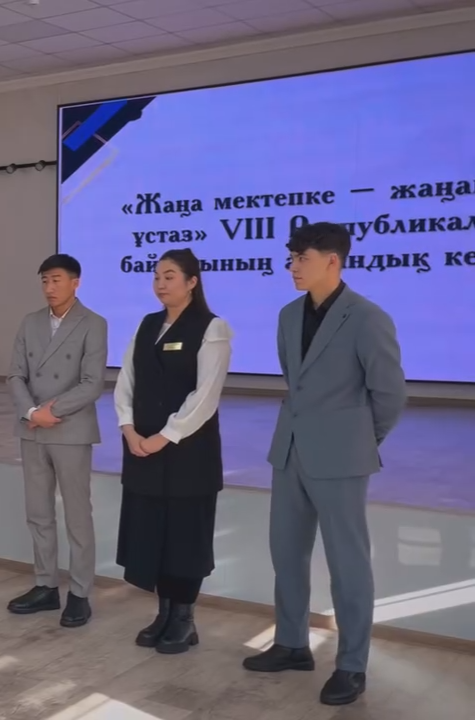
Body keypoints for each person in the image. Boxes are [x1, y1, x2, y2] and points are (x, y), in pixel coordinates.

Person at [244, 222, 406, 707]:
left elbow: (389, 394)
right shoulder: (288, 314)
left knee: (347, 564)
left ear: (332, 260)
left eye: (302, 258)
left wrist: (359, 441)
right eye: (291, 258)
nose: (293, 267)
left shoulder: (367, 318)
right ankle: (292, 643)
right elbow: (295, 381)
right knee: (286, 554)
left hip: (341, 457)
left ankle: (352, 665)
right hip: (289, 450)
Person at [114, 248, 232, 654]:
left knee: (185, 537)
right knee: (153, 534)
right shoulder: (147, 324)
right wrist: (128, 429)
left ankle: (184, 618)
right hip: (142, 448)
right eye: (156, 276)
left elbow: (205, 396)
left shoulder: (212, 328)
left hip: (187, 454)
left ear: (192, 282)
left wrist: (164, 436)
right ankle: (163, 613)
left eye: (169, 276)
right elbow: (126, 381)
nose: (160, 284)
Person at [6, 254, 107, 627]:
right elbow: (15, 375)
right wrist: (32, 412)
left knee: (77, 515)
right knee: (38, 512)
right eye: (45, 280)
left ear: (75, 282)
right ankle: (45, 585)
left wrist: (52, 410)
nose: (50, 287)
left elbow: (92, 383)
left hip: (70, 429)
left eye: (57, 280)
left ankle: (79, 593)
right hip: (33, 428)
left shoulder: (93, 323)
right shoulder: (30, 322)